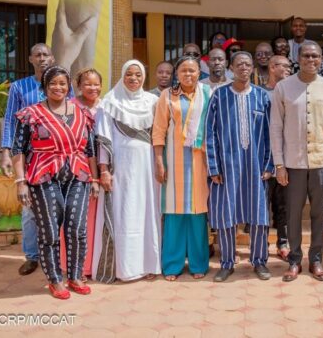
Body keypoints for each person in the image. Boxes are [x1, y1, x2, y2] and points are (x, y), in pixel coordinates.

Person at [11, 66, 99, 299]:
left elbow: (90, 149)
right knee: (49, 231)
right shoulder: (30, 114)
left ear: (69, 86)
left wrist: (94, 178)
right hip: (43, 176)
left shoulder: (82, 113)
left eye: (62, 83)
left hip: (79, 175)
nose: (58, 87)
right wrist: (21, 182)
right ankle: (55, 279)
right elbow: (18, 149)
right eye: (53, 83)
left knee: (77, 229)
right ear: (44, 86)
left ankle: (75, 276)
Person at [271, 41, 323, 282]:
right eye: (306, 56)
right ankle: (294, 260)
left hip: (322, 161)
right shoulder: (283, 87)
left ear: (321, 59)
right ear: (298, 59)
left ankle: (316, 260)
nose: (311, 60)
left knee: (318, 214)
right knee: (293, 214)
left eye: (315, 56)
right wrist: (279, 164)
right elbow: (276, 127)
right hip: (293, 163)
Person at [206, 52, 273, 282]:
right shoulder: (219, 96)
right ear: (231, 68)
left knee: (259, 215)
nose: (244, 67)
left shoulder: (262, 96)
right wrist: (214, 167)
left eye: (247, 64)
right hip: (227, 167)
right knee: (227, 214)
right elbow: (209, 133)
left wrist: (269, 164)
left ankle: (259, 261)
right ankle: (227, 262)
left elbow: (270, 133)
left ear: (252, 67)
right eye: (239, 64)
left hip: (256, 166)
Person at [93, 60, 162, 283]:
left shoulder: (153, 102)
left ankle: (149, 264)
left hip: (147, 169)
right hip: (121, 168)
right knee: (124, 212)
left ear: (144, 77)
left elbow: (159, 135)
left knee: (147, 212)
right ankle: (124, 267)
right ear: (122, 76)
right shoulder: (110, 102)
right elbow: (103, 139)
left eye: (138, 74)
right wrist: (104, 170)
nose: (133, 78)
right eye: (129, 74)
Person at [1, 43, 66, 276]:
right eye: (37, 55)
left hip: (57, 157)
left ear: (53, 58)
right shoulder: (19, 87)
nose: (42, 58)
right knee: (29, 208)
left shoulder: (61, 86)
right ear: (30, 59)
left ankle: (57, 253)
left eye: (45, 54)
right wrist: (6, 152)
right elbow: (10, 120)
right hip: (27, 157)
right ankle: (32, 256)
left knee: (59, 205)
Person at [152, 55, 211, 281]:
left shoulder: (208, 93)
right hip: (173, 160)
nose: (188, 74)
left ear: (199, 73)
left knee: (197, 211)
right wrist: (159, 161)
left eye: (192, 70)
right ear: (177, 74)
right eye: (184, 70)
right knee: (174, 211)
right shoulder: (168, 95)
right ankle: (172, 265)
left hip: (200, 161)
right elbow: (159, 130)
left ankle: (198, 263)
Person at [59, 69, 103, 279]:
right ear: (78, 86)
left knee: (97, 219)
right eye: (87, 84)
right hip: (78, 169)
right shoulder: (70, 107)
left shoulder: (106, 106)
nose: (92, 88)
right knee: (76, 218)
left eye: (96, 84)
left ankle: (95, 264)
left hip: (104, 167)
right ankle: (74, 267)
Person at [261, 55, 292, 260]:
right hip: (264, 158)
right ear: (272, 67)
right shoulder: (259, 93)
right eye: (285, 66)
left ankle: (283, 243)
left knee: (284, 205)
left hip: (287, 157)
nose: (289, 69)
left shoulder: (291, 92)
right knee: (262, 205)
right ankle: (261, 244)